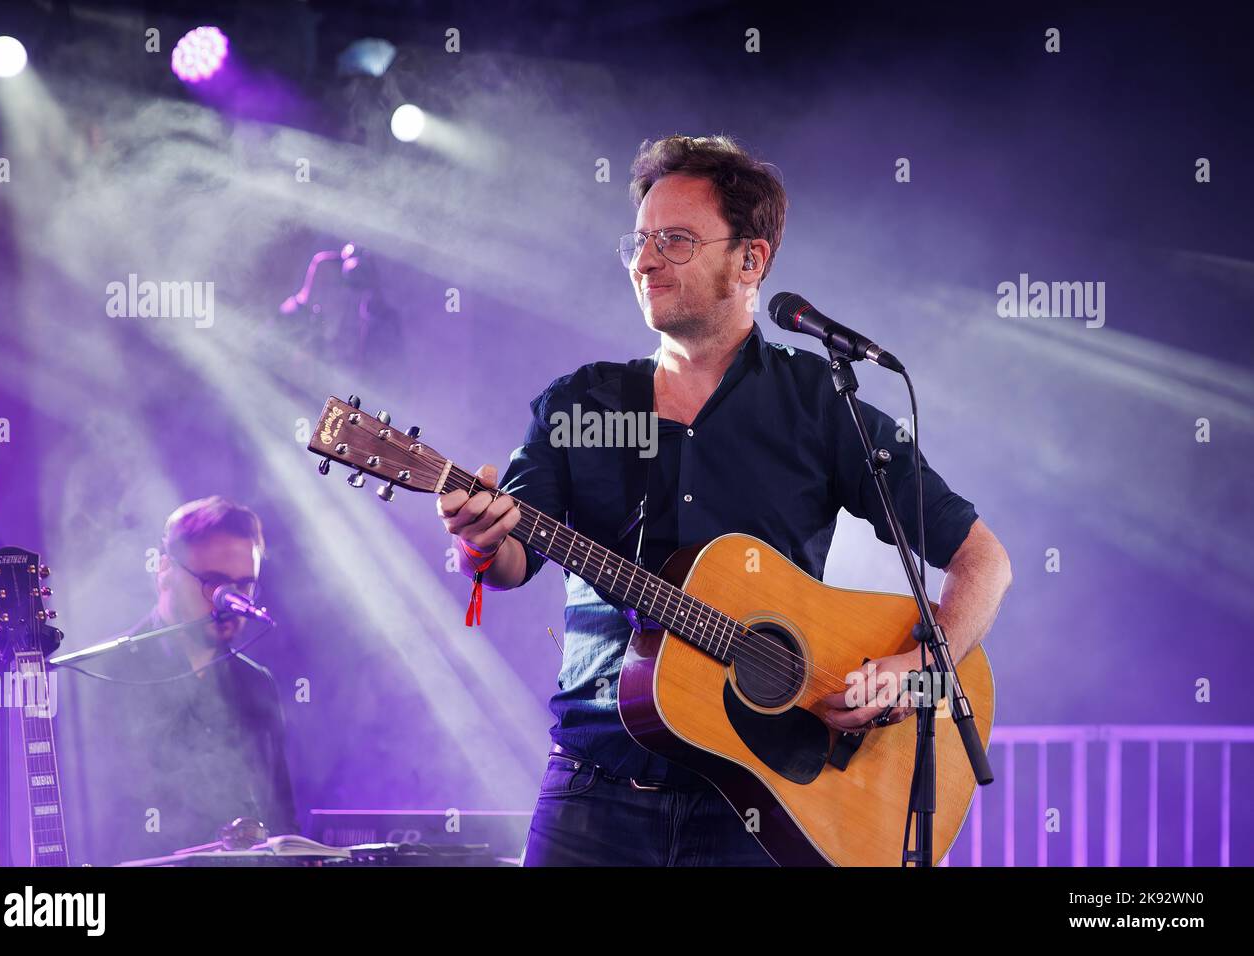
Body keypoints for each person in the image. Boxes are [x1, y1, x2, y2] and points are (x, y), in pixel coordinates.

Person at [436, 135, 1012, 866]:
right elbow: (509, 560)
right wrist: (478, 540)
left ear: (751, 261)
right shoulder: (579, 402)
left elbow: (983, 560)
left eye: (674, 241)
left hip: (766, 802)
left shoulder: (819, 402)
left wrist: (919, 668)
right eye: (639, 242)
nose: (645, 262)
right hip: (596, 791)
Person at [62, 496, 298, 864]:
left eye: (243, 586)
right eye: (215, 585)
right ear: (165, 571)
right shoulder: (103, 676)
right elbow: (94, 825)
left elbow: (283, 819)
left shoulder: (256, 683)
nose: (232, 602)